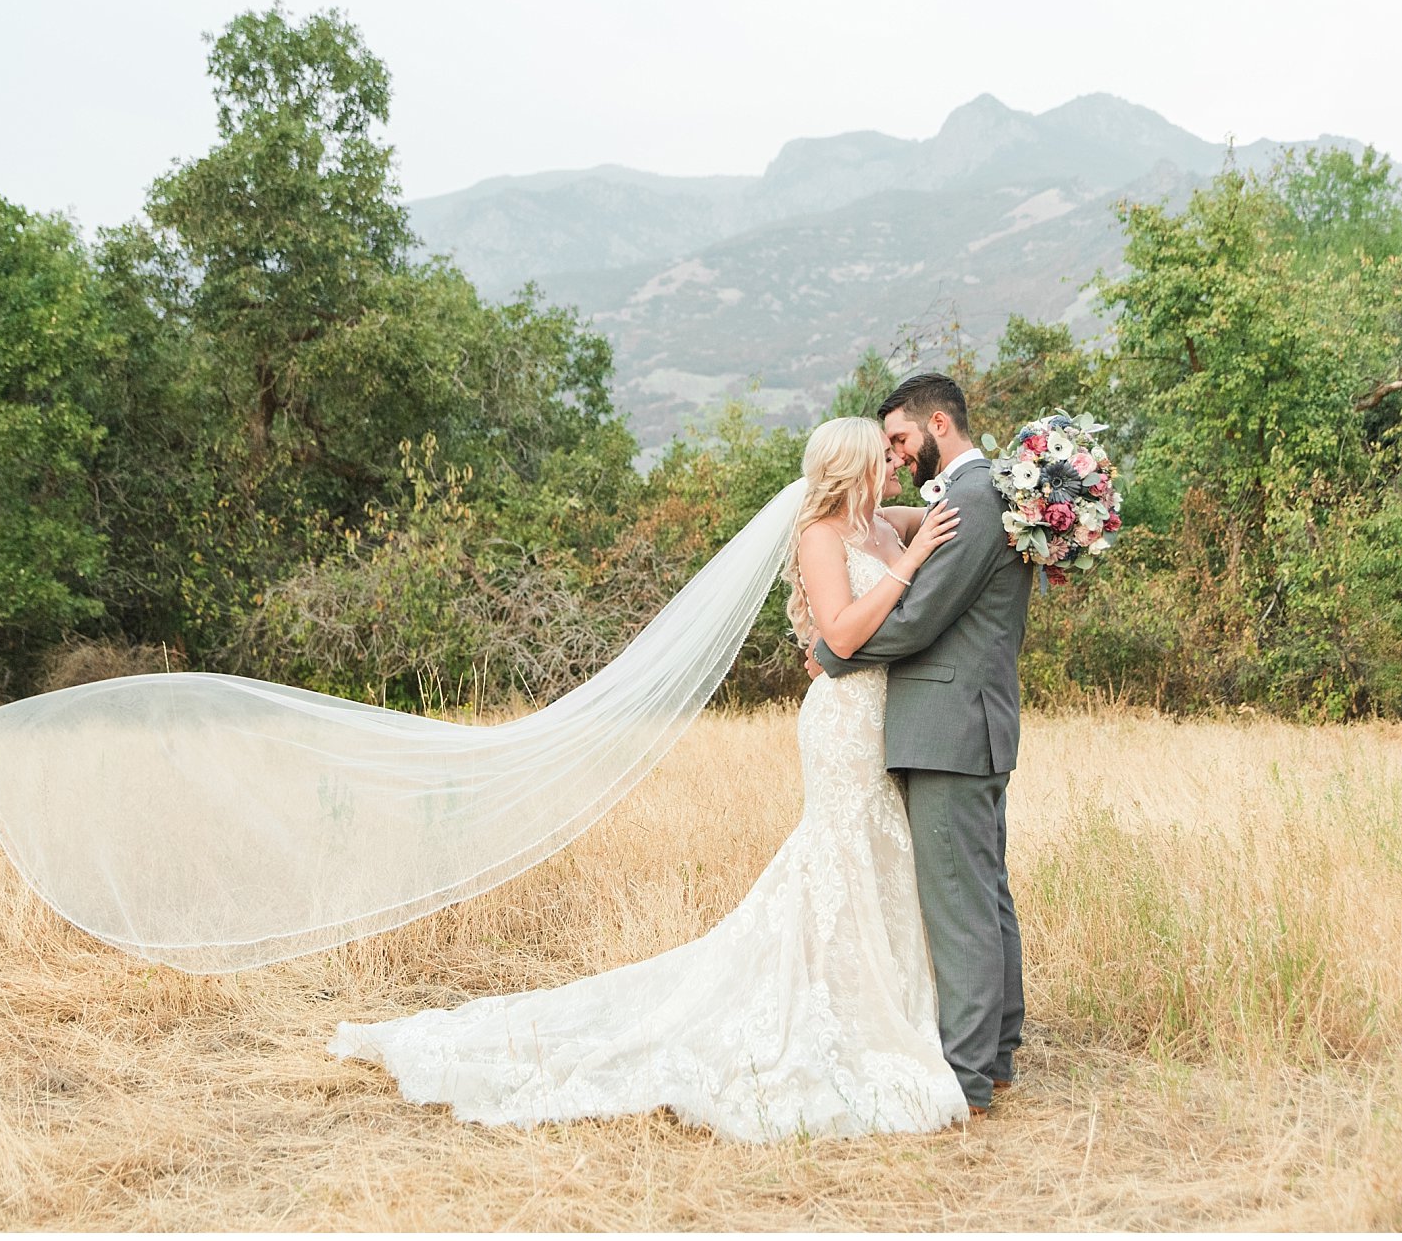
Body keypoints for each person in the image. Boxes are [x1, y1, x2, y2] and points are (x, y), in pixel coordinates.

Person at [327, 416, 976, 1140]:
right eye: (882, 455)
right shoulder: (824, 535)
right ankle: (833, 1011)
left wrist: (1011, 491)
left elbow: (962, 500)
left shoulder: (886, 521)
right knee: (839, 852)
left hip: (887, 719)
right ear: (851, 466)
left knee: (879, 852)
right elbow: (843, 635)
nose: (895, 462)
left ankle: (877, 1001)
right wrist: (912, 561)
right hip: (843, 722)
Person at [810, 372, 1034, 1117]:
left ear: (939, 424)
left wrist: (834, 653)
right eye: (884, 449)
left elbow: (917, 620)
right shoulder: (975, 493)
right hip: (973, 723)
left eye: (901, 439)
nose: (897, 456)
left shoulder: (971, 501)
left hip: (949, 729)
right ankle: (996, 1052)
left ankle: (970, 1077)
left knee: (958, 904)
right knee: (985, 892)